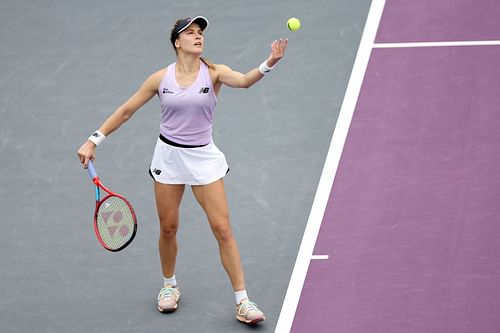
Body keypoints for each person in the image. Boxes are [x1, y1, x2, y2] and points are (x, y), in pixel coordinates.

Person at [77, 15, 288, 325]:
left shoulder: (215, 73)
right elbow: (125, 111)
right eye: (190, 33)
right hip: (169, 158)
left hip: (203, 159)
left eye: (200, 32)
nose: (198, 36)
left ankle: (243, 301)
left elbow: (243, 81)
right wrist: (94, 140)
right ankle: (169, 286)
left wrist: (269, 62)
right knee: (168, 228)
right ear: (177, 42)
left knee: (223, 229)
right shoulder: (160, 78)